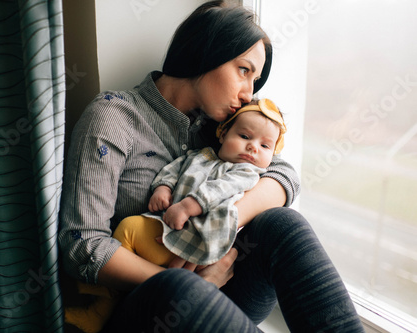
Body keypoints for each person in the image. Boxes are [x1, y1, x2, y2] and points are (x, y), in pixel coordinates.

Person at [58, 1, 364, 332]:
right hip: (143, 308)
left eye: (255, 80)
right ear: (207, 49)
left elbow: (284, 175)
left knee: (282, 224)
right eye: (244, 71)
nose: (249, 94)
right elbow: (82, 243)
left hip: (218, 284)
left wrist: (226, 222)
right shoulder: (114, 117)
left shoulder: (221, 127)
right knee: (178, 288)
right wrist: (189, 284)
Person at [66, 98, 287, 332]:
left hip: (206, 247)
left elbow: (220, 190)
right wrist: (163, 188)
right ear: (222, 134)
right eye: (244, 137)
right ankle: (101, 305)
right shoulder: (200, 155)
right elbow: (173, 169)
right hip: (167, 239)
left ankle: (108, 304)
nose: (253, 147)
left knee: (283, 222)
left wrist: (187, 207)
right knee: (129, 228)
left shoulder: (247, 172)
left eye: (265, 146)